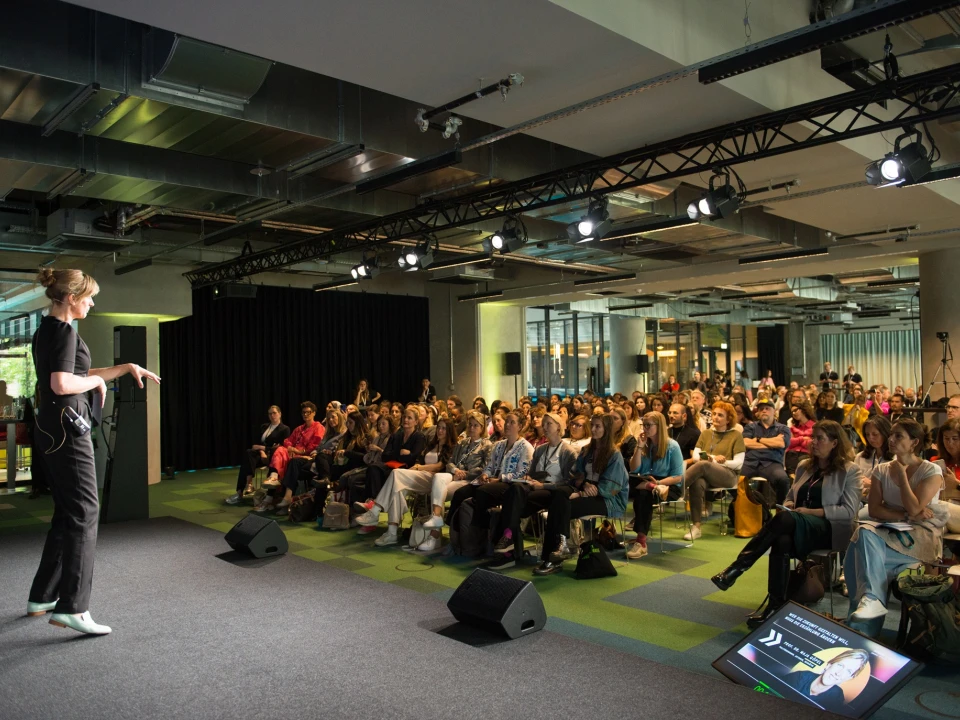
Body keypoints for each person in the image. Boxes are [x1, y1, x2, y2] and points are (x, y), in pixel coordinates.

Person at [28, 267, 160, 636]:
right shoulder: (65, 331)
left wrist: (122, 368)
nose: (92, 302)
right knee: (86, 511)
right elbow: (62, 382)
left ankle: (43, 596)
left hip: (53, 429)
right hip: (70, 432)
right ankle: (74, 606)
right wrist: (98, 380)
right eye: (88, 297)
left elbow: (73, 374)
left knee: (68, 512)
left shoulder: (48, 330)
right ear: (71, 298)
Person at [712, 421, 861, 628]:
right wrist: (789, 505)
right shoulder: (804, 466)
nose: (814, 442)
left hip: (831, 529)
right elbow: (790, 498)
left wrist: (811, 512)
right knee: (781, 539)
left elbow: (849, 512)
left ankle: (737, 568)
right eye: (813, 437)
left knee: (783, 520)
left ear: (835, 443)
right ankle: (775, 606)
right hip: (799, 524)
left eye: (820, 439)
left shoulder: (850, 470)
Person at [845, 419, 948, 628]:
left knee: (861, 551)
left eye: (898, 436)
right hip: (889, 532)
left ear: (914, 442)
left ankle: (862, 627)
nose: (890, 439)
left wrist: (902, 476)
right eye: (891, 434)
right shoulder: (881, 470)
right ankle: (870, 607)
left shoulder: (931, 471)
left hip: (921, 536)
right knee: (863, 538)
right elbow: (874, 510)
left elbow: (914, 507)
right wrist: (905, 515)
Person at [534, 414, 629, 575]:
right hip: (587, 491)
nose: (593, 429)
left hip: (608, 500)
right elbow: (575, 475)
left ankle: (552, 556)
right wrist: (583, 485)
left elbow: (611, 488)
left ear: (606, 429)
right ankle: (559, 547)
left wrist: (581, 494)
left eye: (598, 426)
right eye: (592, 425)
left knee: (561, 507)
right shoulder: (587, 450)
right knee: (559, 496)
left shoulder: (614, 455)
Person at [354, 419, 456, 546]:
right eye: (439, 428)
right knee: (397, 486)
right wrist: (418, 466)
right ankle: (392, 532)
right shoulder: (431, 444)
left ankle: (375, 510)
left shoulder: (451, 447)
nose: (440, 431)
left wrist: (419, 467)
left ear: (450, 431)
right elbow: (420, 459)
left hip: (434, 479)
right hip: (420, 475)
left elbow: (440, 465)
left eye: (444, 428)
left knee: (396, 474)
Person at [489, 412, 577, 560]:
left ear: (558, 427)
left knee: (513, 504)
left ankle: (508, 539)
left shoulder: (568, 452)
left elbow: (569, 482)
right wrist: (528, 478)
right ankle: (509, 537)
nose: (544, 427)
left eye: (549, 424)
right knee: (515, 489)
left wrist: (544, 486)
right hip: (534, 488)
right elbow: (532, 473)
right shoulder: (541, 449)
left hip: (552, 491)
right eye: (544, 424)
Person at [418, 411, 493, 551]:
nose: (471, 428)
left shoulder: (487, 444)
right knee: (438, 478)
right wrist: (455, 471)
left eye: (476, 425)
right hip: (454, 474)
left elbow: (486, 468)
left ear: (482, 428)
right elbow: (450, 462)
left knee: (438, 492)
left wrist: (465, 474)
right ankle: (436, 518)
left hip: (470, 479)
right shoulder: (462, 442)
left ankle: (434, 537)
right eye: (470, 425)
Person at [467, 413, 534, 569]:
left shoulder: (526, 447)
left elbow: (522, 473)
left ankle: (482, 530)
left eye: (512, 422)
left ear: (520, 426)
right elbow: (490, 465)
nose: (507, 425)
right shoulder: (499, 445)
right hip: (495, 482)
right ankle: (473, 537)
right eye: (507, 422)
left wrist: (500, 478)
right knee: (467, 491)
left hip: (511, 484)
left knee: (483, 492)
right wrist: (485, 474)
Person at [683, 401, 745, 540]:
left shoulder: (736, 435)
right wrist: (713, 458)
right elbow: (695, 457)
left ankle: (676, 488)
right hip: (707, 473)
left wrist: (716, 462)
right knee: (697, 482)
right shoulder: (705, 433)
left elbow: (738, 463)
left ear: (728, 419)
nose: (715, 417)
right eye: (714, 414)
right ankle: (696, 527)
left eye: (720, 415)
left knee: (704, 465)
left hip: (728, 475)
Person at [626, 411, 685, 559]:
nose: (644, 428)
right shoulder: (645, 444)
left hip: (668, 485)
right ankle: (652, 487)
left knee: (643, 494)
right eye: (643, 425)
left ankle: (641, 542)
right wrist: (639, 447)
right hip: (646, 481)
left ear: (659, 426)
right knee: (624, 479)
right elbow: (634, 469)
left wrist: (658, 483)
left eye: (648, 425)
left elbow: (678, 477)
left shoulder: (672, 446)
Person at [350, 405, 426, 511]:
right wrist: (402, 454)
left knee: (387, 473)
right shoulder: (397, 436)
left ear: (416, 422)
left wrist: (400, 455)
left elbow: (414, 458)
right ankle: (372, 501)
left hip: (408, 469)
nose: (406, 420)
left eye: (409, 418)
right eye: (404, 417)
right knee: (373, 468)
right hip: (391, 464)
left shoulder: (419, 436)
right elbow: (385, 455)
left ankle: (374, 504)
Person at [227, 405, 290, 505]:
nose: (272, 415)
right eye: (270, 413)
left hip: (273, 457)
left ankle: (242, 491)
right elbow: (256, 444)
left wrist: (263, 449)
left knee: (247, 460)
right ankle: (247, 486)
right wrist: (261, 451)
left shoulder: (284, 429)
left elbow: (281, 448)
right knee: (248, 454)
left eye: (274, 413)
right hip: (260, 455)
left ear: (280, 414)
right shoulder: (264, 426)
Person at [781, 649, 871, 711]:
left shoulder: (837, 697)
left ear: (849, 677)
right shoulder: (800, 676)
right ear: (829, 664)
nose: (838, 673)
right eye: (840, 665)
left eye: (848, 671)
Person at [741, 398, 792, 504]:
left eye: (767, 408)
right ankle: (745, 506)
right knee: (735, 480)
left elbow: (781, 443)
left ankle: (780, 508)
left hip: (771, 463)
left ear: (774, 411)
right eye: (761, 409)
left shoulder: (783, 428)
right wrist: (771, 444)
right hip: (750, 462)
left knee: (783, 480)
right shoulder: (750, 427)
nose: (764, 411)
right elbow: (745, 443)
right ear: (758, 413)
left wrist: (759, 439)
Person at [262, 402, 324, 487]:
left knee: (282, 457)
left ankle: (273, 493)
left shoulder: (318, 427)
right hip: (292, 454)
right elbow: (287, 441)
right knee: (280, 449)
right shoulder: (299, 428)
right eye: (303, 412)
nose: (305, 414)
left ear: (314, 413)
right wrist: (290, 448)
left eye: (308, 412)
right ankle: (274, 477)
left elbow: (314, 446)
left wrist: (297, 451)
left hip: (306, 456)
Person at [933, 418, 960, 533]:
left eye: (955, 439)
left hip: (950, 510)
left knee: (937, 507)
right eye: (946, 439)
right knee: (933, 528)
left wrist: (957, 484)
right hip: (942, 513)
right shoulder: (936, 461)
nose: (950, 443)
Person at [855, 416, 893, 497]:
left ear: (886, 433)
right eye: (867, 435)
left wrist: (871, 484)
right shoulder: (860, 457)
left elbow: (896, 489)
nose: (870, 438)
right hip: (861, 500)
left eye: (875, 434)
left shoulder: (896, 458)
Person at [785, 400, 816, 476]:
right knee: (791, 456)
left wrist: (797, 440)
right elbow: (789, 443)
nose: (793, 413)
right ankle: (792, 478)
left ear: (803, 410)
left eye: (795, 410)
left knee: (802, 461)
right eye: (792, 412)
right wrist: (803, 438)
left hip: (807, 454)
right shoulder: (793, 428)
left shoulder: (815, 426)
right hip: (792, 454)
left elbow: (811, 444)